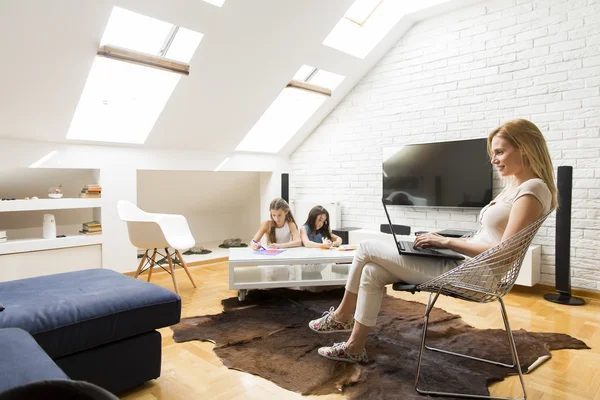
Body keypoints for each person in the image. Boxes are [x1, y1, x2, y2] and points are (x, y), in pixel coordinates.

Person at [308, 119, 558, 364]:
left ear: (524, 147)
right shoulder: (517, 186)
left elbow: (504, 254)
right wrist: (443, 242)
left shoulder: (532, 190)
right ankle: (354, 347)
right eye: (494, 153)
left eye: (500, 152)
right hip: (466, 265)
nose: (493, 160)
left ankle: (341, 315)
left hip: (475, 276)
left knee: (365, 247)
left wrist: (447, 243)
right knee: (372, 271)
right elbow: (491, 238)